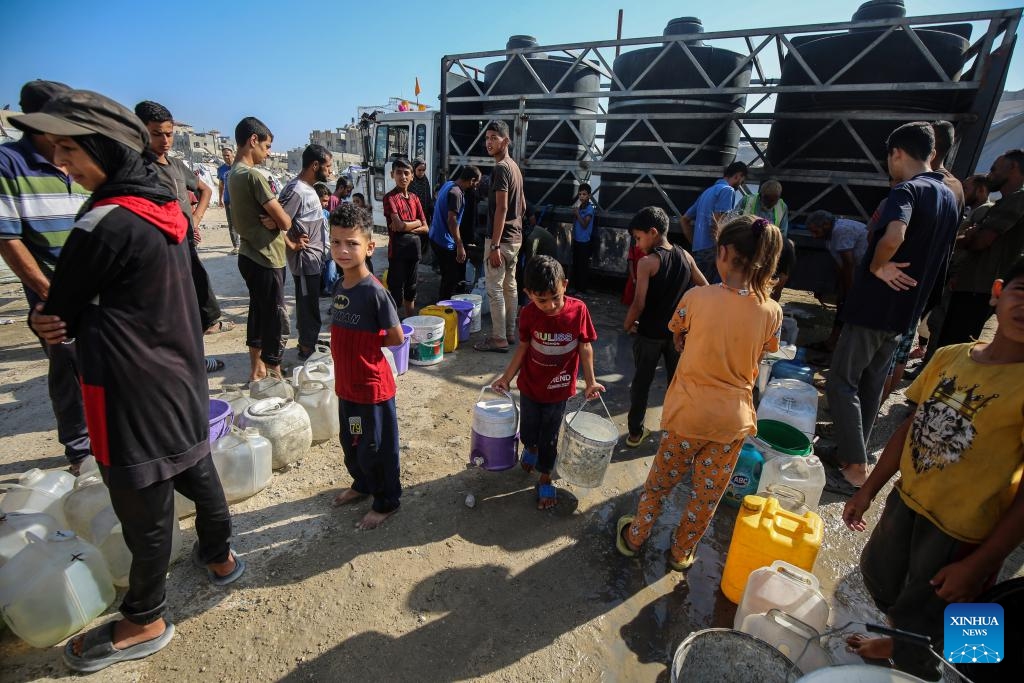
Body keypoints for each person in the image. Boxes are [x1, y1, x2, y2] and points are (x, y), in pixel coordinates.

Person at [21, 88, 242, 673]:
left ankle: (144, 617)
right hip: (180, 375)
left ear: (102, 146)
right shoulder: (165, 204)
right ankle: (219, 557)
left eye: (69, 150)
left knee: (145, 508)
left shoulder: (104, 221)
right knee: (197, 468)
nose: (60, 162)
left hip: (127, 388)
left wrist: (43, 320)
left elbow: (60, 308)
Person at [841, 257, 1024, 680]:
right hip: (908, 502)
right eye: (1022, 292)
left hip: (965, 535)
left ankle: (942, 672)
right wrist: (868, 489)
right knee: (892, 587)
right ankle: (899, 644)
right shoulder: (950, 357)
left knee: (963, 615)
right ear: (998, 291)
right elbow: (910, 427)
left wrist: (980, 564)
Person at [616, 214, 783, 571]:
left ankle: (635, 537)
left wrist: (685, 339)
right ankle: (681, 554)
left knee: (660, 484)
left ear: (722, 253)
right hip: (731, 422)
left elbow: (676, 332)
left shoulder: (697, 297)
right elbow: (767, 349)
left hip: (688, 414)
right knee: (705, 497)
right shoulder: (772, 311)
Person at [823, 122, 961, 495]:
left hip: (874, 309)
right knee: (871, 384)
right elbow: (945, 259)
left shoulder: (908, 190)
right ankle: (851, 453)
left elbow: (895, 233)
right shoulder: (948, 196)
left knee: (842, 380)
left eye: (890, 158)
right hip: (904, 311)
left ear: (897, 153)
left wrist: (878, 265)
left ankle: (854, 468)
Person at [2, 80, 92, 475]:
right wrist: (51, 293)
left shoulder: (77, 161)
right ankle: (80, 450)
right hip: (52, 288)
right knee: (68, 366)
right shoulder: (10, 164)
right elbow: (7, 237)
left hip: (95, 284)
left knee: (107, 363)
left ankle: (113, 437)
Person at [491, 255, 603, 509]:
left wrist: (591, 382)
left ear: (565, 284)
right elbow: (522, 348)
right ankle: (530, 447)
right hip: (530, 387)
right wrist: (507, 378)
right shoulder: (528, 314)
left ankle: (545, 478)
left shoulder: (578, 311)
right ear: (528, 293)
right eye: (542, 300)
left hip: (559, 391)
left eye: (556, 297)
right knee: (530, 431)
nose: (551, 305)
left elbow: (585, 348)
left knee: (550, 438)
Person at [134, 101, 230, 374]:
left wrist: (195, 219)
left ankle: (195, 361)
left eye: (169, 133)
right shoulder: (138, 168)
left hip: (185, 247)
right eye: (156, 133)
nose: (165, 140)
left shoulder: (176, 165)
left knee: (193, 305)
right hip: (158, 253)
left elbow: (205, 190)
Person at [326, 203, 405, 529]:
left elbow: (397, 336)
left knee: (377, 448)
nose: (343, 251)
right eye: (336, 243)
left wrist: (369, 344)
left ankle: (386, 501)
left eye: (352, 243)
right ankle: (362, 484)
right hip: (347, 388)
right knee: (353, 440)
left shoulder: (375, 291)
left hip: (372, 390)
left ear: (369, 247)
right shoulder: (338, 285)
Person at [622, 206, 707, 448]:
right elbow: (705, 288)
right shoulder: (686, 256)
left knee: (641, 385)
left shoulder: (647, 262)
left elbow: (639, 303)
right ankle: (673, 432)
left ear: (652, 232)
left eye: (638, 238)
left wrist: (627, 324)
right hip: (676, 337)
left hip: (648, 335)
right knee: (676, 385)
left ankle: (635, 434)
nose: (637, 245)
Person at [932, 150, 1024, 353]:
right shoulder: (1004, 202)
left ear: (1013, 168)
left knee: (954, 347)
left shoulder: (1017, 200)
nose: (990, 175)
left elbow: (981, 242)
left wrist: (970, 238)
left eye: (994, 169)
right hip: (972, 285)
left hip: (979, 289)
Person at [228, 116, 295, 382]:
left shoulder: (233, 174)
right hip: (267, 258)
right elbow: (286, 221)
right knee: (274, 318)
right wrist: (278, 221)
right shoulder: (252, 176)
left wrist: (274, 220)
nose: (267, 154)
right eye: (266, 147)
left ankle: (257, 369)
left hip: (249, 254)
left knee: (258, 312)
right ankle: (274, 370)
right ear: (252, 140)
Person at [920, 172, 995, 362]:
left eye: (967, 188)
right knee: (936, 322)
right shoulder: (974, 211)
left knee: (939, 323)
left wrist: (957, 272)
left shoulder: (984, 210)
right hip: (954, 275)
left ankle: (931, 365)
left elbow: (971, 246)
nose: (963, 191)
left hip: (957, 276)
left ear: (981, 190)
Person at [475, 120, 526, 353]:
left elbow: (502, 208)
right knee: (510, 286)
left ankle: (498, 338)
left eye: (494, 137)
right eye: (487, 138)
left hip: (501, 240)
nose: (489, 142)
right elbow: (522, 206)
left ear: (506, 141)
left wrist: (495, 245)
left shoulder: (501, 168)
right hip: (515, 238)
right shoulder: (514, 167)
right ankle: (509, 332)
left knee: (495, 288)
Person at [278, 144, 332, 360]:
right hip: (305, 259)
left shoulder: (307, 189)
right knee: (306, 304)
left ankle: (309, 339)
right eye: (327, 167)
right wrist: (292, 245)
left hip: (314, 259)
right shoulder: (297, 190)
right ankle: (306, 347)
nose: (330, 171)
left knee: (310, 303)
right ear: (315, 165)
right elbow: (275, 223)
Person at [806, 210, 869, 352]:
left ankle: (838, 345)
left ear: (826, 225)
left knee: (848, 308)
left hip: (865, 271)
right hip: (856, 270)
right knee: (842, 305)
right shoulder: (830, 236)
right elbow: (840, 266)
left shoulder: (840, 231)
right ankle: (832, 342)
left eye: (816, 232)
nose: (813, 236)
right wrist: (841, 291)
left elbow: (849, 264)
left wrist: (849, 293)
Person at [681, 161, 747, 284]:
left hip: (699, 249)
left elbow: (684, 219)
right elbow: (718, 221)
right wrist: (721, 249)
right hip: (713, 249)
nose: (741, 185)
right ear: (738, 175)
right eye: (742, 181)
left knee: (697, 288)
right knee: (714, 290)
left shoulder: (707, 192)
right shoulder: (728, 190)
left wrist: (695, 242)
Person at [383, 157, 427, 317]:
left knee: (411, 288)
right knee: (395, 290)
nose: (403, 177)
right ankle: (392, 326)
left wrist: (406, 227)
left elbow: (426, 227)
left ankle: (411, 322)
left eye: (406, 173)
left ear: (412, 176)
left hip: (414, 251)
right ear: (392, 175)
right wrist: (416, 224)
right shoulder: (389, 198)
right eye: (399, 173)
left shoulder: (415, 198)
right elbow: (399, 225)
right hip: (397, 251)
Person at [429, 165, 481, 301]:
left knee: (447, 276)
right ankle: (442, 306)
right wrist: (460, 245)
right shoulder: (457, 194)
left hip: (435, 237)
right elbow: (452, 221)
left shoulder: (448, 184)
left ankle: (442, 302)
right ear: (472, 180)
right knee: (451, 278)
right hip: (444, 242)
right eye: (476, 183)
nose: (475, 186)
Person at [739, 179, 792, 300]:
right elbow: (734, 222)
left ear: (778, 198)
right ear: (761, 194)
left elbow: (782, 232)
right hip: (748, 248)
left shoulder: (782, 206)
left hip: (769, 250)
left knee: (764, 283)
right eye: (767, 199)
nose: (769, 203)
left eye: (773, 200)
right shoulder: (747, 200)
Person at [570, 183, 596, 294]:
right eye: (580, 194)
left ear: (589, 196)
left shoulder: (590, 209)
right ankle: (576, 287)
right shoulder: (580, 207)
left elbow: (585, 224)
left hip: (584, 241)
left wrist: (577, 214)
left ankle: (582, 288)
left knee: (582, 266)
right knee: (576, 264)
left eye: (584, 194)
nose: (581, 196)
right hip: (577, 240)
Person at [216, 146, 239, 254]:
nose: (226, 157)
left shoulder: (239, 167)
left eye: (228, 155)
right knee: (231, 223)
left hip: (240, 199)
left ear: (233, 154)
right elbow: (221, 185)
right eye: (224, 155)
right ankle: (236, 246)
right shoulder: (221, 169)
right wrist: (220, 199)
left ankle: (247, 243)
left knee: (243, 221)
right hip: (228, 200)